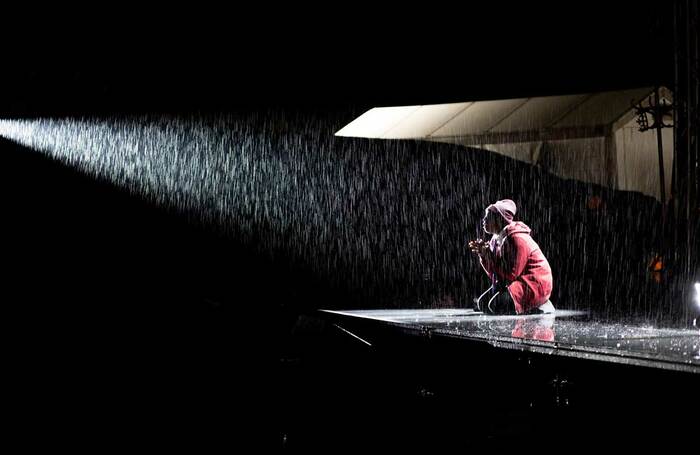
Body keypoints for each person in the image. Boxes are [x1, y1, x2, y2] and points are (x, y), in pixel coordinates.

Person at [468, 199, 555, 315]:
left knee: (495, 306)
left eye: (488, 217)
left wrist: (488, 255)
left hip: (533, 283)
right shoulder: (496, 240)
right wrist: (484, 255)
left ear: (499, 219)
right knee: (483, 304)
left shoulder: (517, 238)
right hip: (516, 281)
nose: (484, 220)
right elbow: (494, 274)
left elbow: (510, 275)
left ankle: (539, 303)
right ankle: (526, 305)